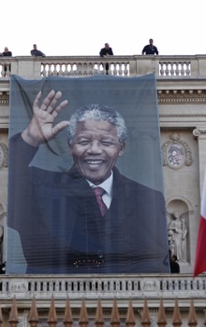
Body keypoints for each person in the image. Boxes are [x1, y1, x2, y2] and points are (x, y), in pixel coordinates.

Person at [9, 90, 169, 274]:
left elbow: (155, 261)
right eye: (83, 141)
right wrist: (30, 138)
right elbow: (10, 179)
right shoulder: (40, 188)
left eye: (106, 142)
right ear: (70, 145)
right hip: (56, 301)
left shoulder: (148, 198)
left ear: (121, 147)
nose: (94, 150)